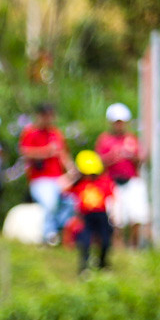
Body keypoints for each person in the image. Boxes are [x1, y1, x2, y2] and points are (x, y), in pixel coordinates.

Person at [97, 103, 147, 249]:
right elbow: (98, 162)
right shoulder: (104, 139)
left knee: (136, 215)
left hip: (131, 180)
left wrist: (132, 156)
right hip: (112, 181)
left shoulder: (132, 139)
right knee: (115, 218)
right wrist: (112, 157)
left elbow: (141, 160)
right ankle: (117, 248)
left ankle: (134, 248)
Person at [19, 101, 70, 242]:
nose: (49, 119)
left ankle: (58, 231)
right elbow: (25, 153)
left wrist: (72, 171)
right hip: (40, 179)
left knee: (72, 203)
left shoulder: (56, 133)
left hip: (58, 178)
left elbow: (63, 154)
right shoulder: (30, 132)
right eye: (46, 116)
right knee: (50, 202)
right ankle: (49, 235)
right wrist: (46, 151)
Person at [68, 150, 115, 273]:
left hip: (102, 215)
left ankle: (103, 264)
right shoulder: (79, 184)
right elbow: (63, 189)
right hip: (85, 217)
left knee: (106, 241)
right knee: (85, 241)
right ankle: (84, 267)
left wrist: (114, 215)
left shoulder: (104, 182)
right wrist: (74, 176)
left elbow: (112, 199)